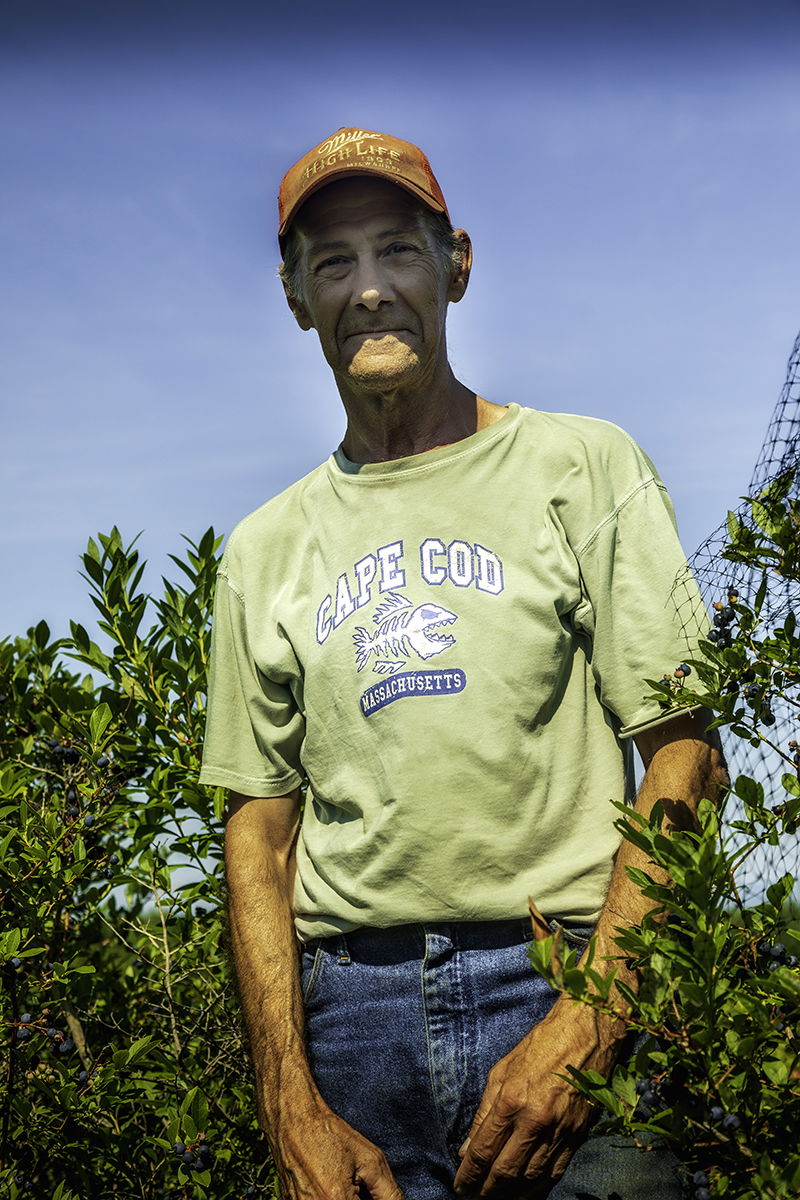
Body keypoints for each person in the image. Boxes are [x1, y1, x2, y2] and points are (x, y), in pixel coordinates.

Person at [199, 127, 727, 1200]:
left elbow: (684, 763)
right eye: (333, 262)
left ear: (457, 265)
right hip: (350, 1028)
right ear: (296, 295)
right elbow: (257, 829)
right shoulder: (263, 549)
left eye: (397, 249)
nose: (370, 290)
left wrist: (588, 1020)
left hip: (563, 974)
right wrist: (289, 1104)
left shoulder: (580, 466)